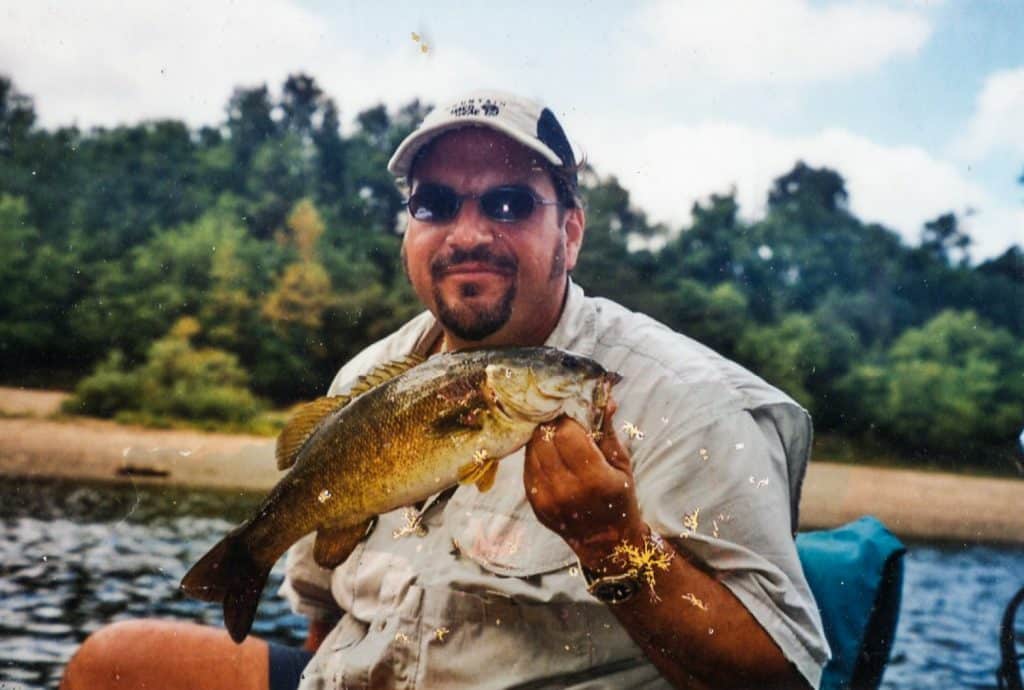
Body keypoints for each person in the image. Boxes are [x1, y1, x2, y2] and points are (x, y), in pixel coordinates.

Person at [61, 90, 829, 690]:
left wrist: (614, 546)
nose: (468, 231)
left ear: (570, 232)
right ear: (409, 229)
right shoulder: (368, 378)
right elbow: (328, 614)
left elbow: (782, 675)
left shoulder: (693, 402)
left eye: (509, 203)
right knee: (113, 663)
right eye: (435, 203)